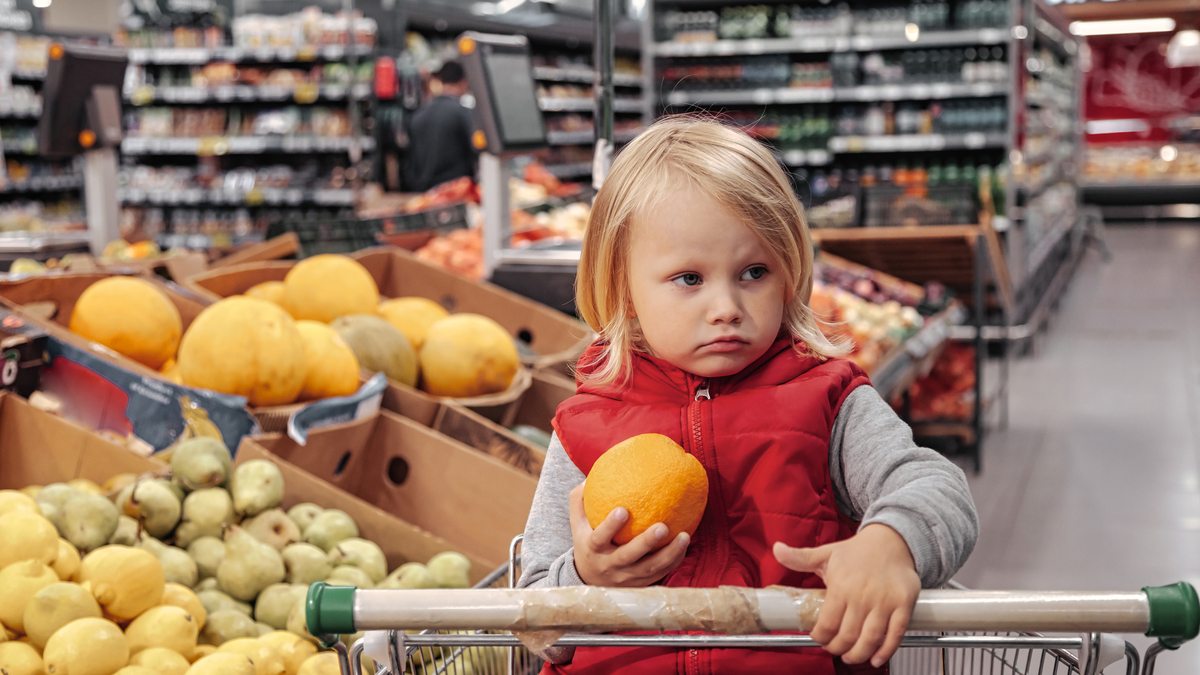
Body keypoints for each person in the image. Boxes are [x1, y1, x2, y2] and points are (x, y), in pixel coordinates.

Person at [517, 116, 979, 674]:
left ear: (789, 272)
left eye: (753, 272)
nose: (726, 307)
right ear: (625, 290)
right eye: (689, 278)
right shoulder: (583, 425)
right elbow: (537, 621)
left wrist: (891, 543)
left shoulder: (828, 400)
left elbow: (935, 486)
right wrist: (588, 578)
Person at [404, 61, 477, 192]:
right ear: (464, 82)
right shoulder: (464, 113)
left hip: (425, 192)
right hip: (457, 191)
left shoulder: (418, 116)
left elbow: (410, 159)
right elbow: (475, 151)